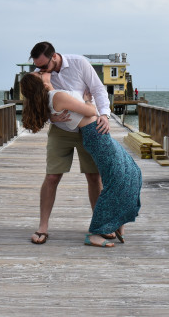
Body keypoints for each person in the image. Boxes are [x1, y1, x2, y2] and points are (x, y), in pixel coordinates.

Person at [21, 71, 142, 247]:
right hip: (95, 135)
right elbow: (92, 110)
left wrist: (55, 111)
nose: (42, 71)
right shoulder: (57, 95)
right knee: (116, 179)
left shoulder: (53, 93)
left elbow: (53, 103)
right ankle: (97, 230)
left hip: (96, 134)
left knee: (130, 173)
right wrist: (86, 100)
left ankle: (114, 222)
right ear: (39, 82)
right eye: (39, 73)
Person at [27, 41, 112, 245]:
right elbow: (37, 103)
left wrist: (105, 116)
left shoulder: (79, 63)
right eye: (37, 67)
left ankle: (98, 226)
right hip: (61, 131)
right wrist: (52, 118)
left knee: (94, 176)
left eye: (43, 66)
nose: (39, 70)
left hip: (87, 129)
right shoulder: (41, 75)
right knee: (52, 176)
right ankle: (43, 227)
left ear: (54, 56)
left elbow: (98, 90)